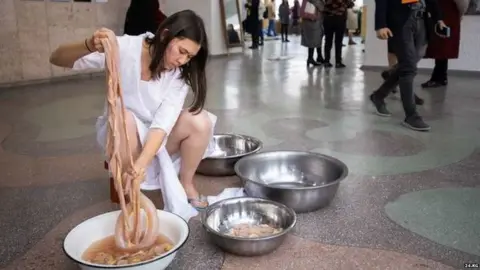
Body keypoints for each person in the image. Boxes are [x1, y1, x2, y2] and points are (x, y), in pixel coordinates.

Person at [49, 10, 215, 210]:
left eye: (190, 56)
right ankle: (130, 190)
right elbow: (57, 58)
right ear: (165, 36)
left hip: (155, 136)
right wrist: (89, 45)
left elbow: (162, 125)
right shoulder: (125, 48)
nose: (183, 61)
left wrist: (141, 163)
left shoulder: (179, 75)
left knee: (199, 121)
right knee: (124, 117)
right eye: (181, 51)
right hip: (120, 131)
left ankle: (186, 184)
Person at [370, 0, 445, 131]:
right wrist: (380, 24)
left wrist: (438, 18)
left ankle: (379, 95)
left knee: (408, 64)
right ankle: (411, 115)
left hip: (422, 19)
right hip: (402, 20)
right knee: (408, 67)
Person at [421, 0, 466, 88]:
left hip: (448, 16)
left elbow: (462, 4)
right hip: (440, 15)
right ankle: (439, 77)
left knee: (444, 47)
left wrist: (460, 14)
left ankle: (439, 78)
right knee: (439, 47)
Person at [323, 0, 354, 68]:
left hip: (328, 18)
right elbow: (350, 4)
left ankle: (326, 61)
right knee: (338, 42)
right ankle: (338, 62)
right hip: (339, 18)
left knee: (328, 41)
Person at [301, 0, 325, 66]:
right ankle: (310, 58)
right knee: (314, 39)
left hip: (313, 22)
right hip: (313, 22)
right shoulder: (316, 1)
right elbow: (322, 7)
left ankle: (318, 56)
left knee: (317, 38)